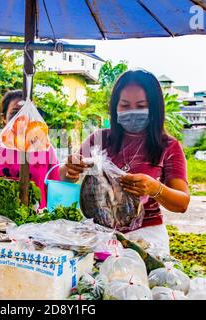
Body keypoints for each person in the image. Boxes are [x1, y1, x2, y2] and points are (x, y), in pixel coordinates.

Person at [59, 69, 190, 257]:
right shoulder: (98, 139)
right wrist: (70, 168)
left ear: (154, 108)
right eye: (125, 105)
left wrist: (155, 189)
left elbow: (182, 203)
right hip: (99, 235)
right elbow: (65, 178)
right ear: (115, 107)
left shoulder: (168, 147)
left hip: (146, 239)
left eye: (141, 105)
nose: (132, 112)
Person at [0, 90, 59, 208]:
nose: (21, 120)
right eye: (15, 113)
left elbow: (56, 189)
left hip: (36, 223)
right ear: (4, 118)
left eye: (27, 114)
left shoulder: (45, 149)